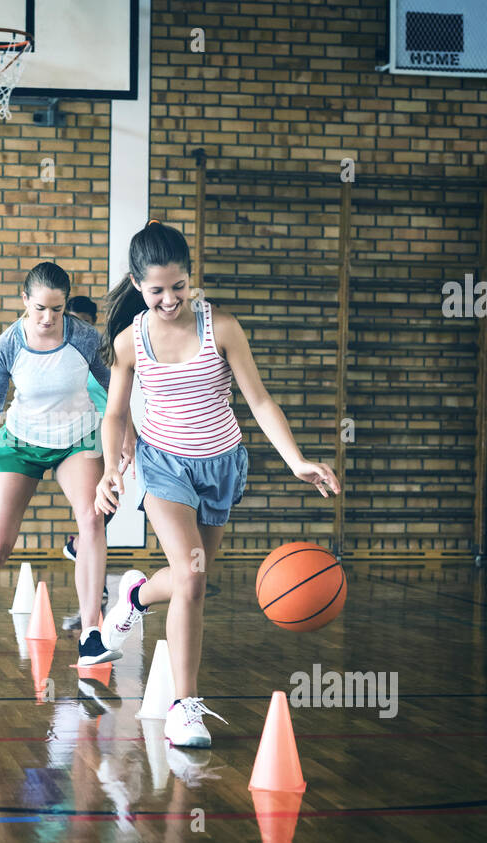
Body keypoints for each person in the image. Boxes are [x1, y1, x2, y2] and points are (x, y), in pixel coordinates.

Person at [95, 220, 341, 749]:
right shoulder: (128, 341)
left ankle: (135, 595)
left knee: (194, 582)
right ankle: (185, 707)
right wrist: (112, 468)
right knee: (189, 576)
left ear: (191, 278)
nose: (169, 299)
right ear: (138, 285)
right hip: (164, 467)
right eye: (157, 290)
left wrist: (296, 460)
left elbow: (259, 400)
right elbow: (115, 413)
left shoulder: (221, 327)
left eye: (179, 286)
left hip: (222, 465)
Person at [0, 263, 121, 667]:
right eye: (39, 309)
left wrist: (129, 438)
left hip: (76, 440)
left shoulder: (85, 337)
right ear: (24, 302)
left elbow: (113, 391)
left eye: (57, 308)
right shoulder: (6, 347)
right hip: (20, 441)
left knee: (91, 519)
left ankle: (90, 634)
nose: (49, 318)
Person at [60, 295, 115, 629]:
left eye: (83, 320)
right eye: (72, 319)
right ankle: (98, 591)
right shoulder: (65, 359)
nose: (76, 326)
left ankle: (78, 546)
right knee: (93, 516)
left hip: (106, 435)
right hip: (79, 441)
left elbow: (116, 398)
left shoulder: (101, 356)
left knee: (106, 510)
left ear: (92, 322)